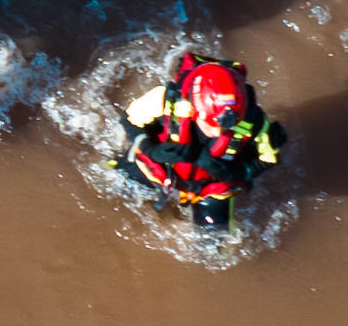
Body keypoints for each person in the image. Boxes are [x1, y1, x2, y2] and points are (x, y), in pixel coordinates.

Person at [117, 51, 288, 236]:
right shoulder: (166, 99)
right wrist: (151, 150)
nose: (219, 132)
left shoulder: (254, 120)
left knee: (214, 242)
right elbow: (129, 119)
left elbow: (267, 160)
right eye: (211, 125)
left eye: (229, 125)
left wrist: (230, 172)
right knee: (114, 195)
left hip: (210, 187)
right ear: (194, 109)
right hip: (157, 169)